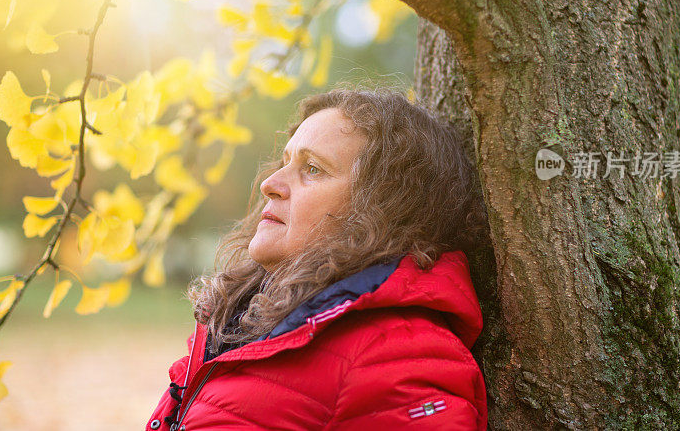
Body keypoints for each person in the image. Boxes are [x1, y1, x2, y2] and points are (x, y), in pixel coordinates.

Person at [145, 85, 489, 430]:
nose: (270, 183)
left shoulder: (398, 354)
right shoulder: (243, 323)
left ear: (383, 209)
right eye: (284, 163)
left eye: (312, 168)